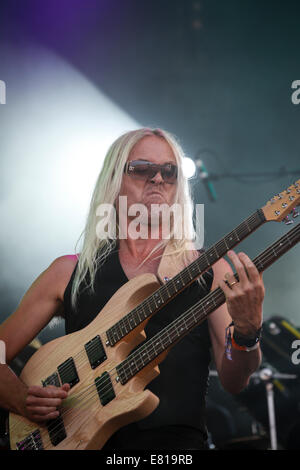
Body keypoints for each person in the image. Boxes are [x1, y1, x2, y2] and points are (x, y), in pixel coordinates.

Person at [0, 128, 265, 450]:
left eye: (169, 171)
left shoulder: (211, 270)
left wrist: (247, 334)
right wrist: (18, 398)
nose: (157, 179)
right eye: (142, 168)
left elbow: (235, 380)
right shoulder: (68, 271)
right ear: (114, 180)